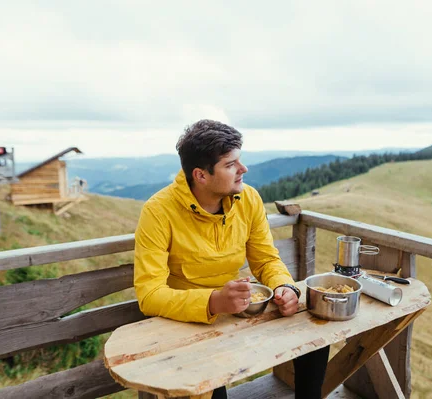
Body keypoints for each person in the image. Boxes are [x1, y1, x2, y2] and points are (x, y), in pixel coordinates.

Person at [134, 119, 329, 399]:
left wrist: (285, 287)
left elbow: (266, 260)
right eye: (230, 165)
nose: (243, 169)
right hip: (186, 326)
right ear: (200, 175)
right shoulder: (157, 211)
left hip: (239, 315)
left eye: (240, 160)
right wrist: (213, 301)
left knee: (314, 339)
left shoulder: (248, 199)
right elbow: (149, 295)